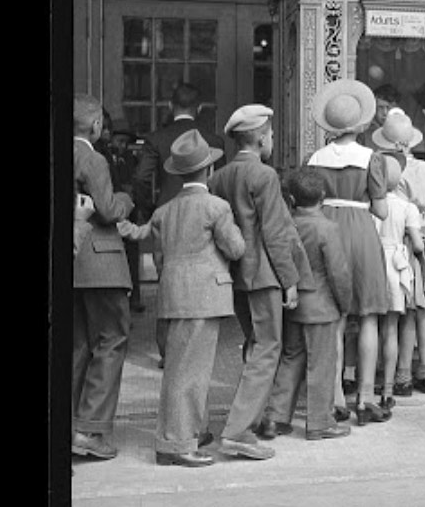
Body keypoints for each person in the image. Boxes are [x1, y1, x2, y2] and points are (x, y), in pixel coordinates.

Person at [120, 129, 245, 467]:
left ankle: (193, 430)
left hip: (174, 294)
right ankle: (176, 444)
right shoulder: (217, 207)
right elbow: (235, 248)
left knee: (181, 366)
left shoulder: (165, 209)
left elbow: (149, 243)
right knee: (189, 372)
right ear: (207, 170)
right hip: (204, 294)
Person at [208, 104, 301, 460]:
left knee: (254, 344)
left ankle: (249, 419)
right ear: (261, 138)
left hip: (235, 273)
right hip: (264, 274)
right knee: (267, 349)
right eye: (272, 134)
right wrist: (289, 279)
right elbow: (276, 233)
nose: (273, 139)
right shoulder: (265, 176)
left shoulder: (219, 177)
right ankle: (237, 430)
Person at [306, 78, 393, 426]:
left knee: (335, 318)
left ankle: (337, 397)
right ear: (359, 124)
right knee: (369, 315)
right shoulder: (373, 158)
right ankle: (366, 398)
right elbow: (382, 211)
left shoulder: (314, 158)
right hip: (360, 229)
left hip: (327, 229)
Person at [134, 82, 228, 366]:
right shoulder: (213, 140)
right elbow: (218, 183)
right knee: (201, 278)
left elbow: (140, 178)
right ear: (199, 108)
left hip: (167, 215)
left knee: (167, 284)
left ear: (169, 106)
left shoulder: (157, 138)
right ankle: (197, 350)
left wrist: (151, 210)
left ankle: (168, 352)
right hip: (203, 214)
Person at [258, 166, 354, 442]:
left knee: (291, 358)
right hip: (322, 306)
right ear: (323, 195)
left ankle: (275, 418)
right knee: (321, 364)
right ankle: (320, 422)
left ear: (291, 199)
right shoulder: (328, 228)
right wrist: (344, 304)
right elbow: (339, 273)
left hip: (293, 303)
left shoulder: (287, 224)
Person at [371, 108, 425, 395]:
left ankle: (402, 375)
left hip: (401, 239)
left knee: (404, 311)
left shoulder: (389, 168)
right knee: (423, 310)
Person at [72, 93, 136, 460]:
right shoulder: (92, 158)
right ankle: (91, 430)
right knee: (111, 340)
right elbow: (109, 210)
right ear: (95, 125)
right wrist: (126, 198)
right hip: (102, 262)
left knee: (78, 346)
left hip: (76, 261)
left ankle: (71, 424)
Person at [373, 153, 425, 409]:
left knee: (367, 327)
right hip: (396, 267)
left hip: (372, 264)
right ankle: (388, 388)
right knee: (391, 328)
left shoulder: (369, 205)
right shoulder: (407, 208)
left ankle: (362, 383)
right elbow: (417, 244)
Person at [103, 121, 146, 313]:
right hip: (113, 213)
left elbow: (137, 181)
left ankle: (134, 298)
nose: (122, 146)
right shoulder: (103, 157)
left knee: (132, 257)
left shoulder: (130, 159)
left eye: (126, 143)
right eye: (119, 141)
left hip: (131, 214)